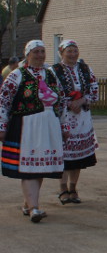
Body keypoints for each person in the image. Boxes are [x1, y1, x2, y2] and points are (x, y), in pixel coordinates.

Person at [0, 40, 68, 222]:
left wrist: (64, 125)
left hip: (48, 126)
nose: (40, 55)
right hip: (26, 126)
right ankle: (34, 208)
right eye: (36, 51)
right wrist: (1, 126)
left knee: (40, 166)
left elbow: (61, 101)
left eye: (42, 51)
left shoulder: (51, 74)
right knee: (29, 167)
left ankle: (27, 204)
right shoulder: (17, 75)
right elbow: (4, 101)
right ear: (27, 54)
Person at [52, 40, 99, 205]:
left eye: (75, 51)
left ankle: (73, 188)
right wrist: (69, 103)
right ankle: (63, 188)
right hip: (63, 117)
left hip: (82, 118)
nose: (72, 54)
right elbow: (51, 93)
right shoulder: (54, 70)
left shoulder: (85, 69)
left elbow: (94, 90)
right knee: (64, 156)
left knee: (79, 157)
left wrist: (82, 101)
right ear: (61, 52)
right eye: (69, 51)